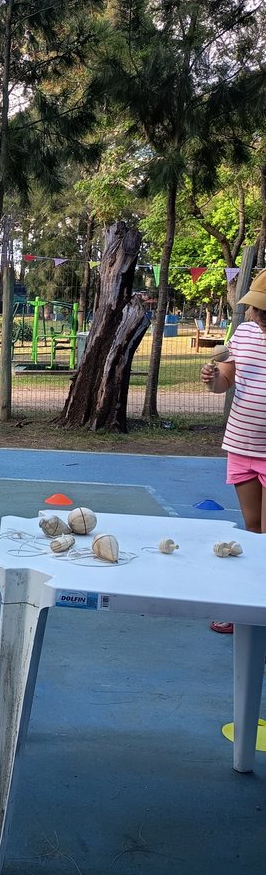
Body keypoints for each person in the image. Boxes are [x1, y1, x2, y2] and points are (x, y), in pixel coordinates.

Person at [200, 267, 266, 635]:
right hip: (242, 444)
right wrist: (213, 380)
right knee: (254, 531)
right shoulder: (244, 333)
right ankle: (249, 608)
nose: (257, 315)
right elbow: (224, 382)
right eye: (257, 308)